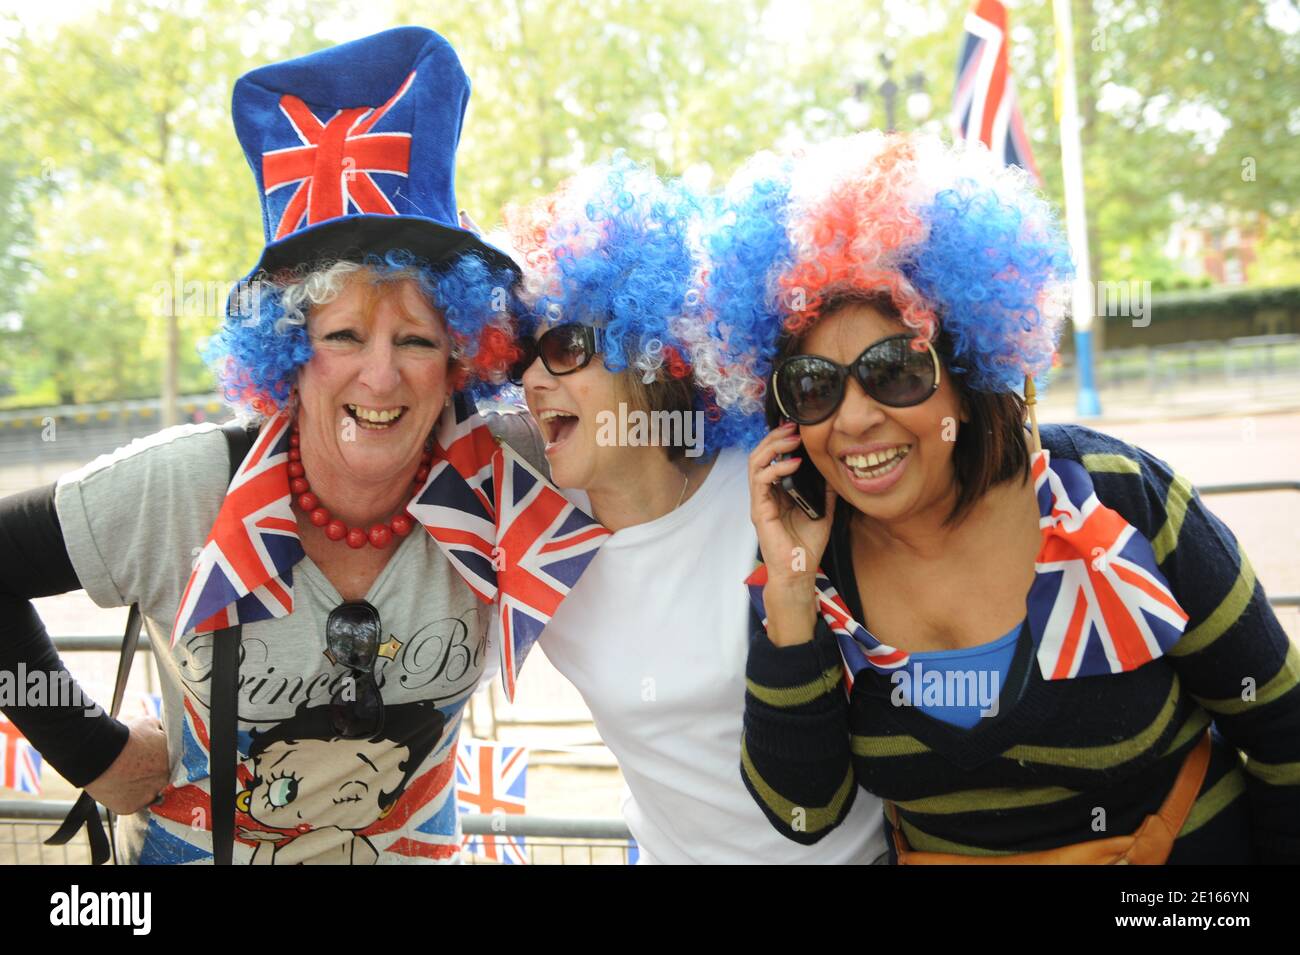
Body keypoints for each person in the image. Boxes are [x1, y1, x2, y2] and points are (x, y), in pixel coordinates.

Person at [0, 27, 530, 864]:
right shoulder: (184, 486)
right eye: (344, 334)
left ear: (462, 355)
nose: (381, 378)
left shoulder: (511, 481)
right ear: (288, 349)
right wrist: (91, 754)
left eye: (420, 341)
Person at [737, 132, 1300, 863]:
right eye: (814, 385)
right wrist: (789, 595)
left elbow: (1284, 735)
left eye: (895, 371)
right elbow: (806, 811)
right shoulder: (809, 562)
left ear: (969, 382)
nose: (852, 418)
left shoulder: (1113, 495)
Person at [502, 155, 887, 863]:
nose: (530, 377)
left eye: (563, 347)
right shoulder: (531, 524)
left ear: (649, 351)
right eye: (521, 352)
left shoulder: (777, 485)